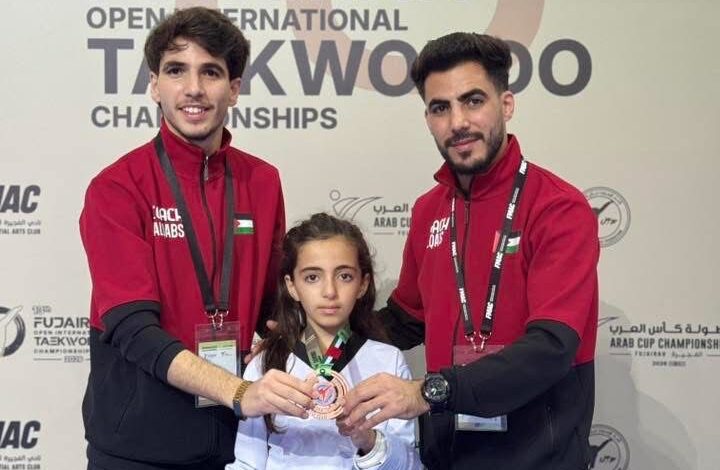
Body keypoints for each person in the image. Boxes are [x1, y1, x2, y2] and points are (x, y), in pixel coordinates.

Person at [340, 32, 600, 470]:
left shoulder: (558, 207)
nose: (458, 122)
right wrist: (311, 339)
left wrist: (428, 392)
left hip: (537, 456)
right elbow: (406, 320)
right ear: (428, 118)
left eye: (473, 101)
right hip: (448, 454)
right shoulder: (429, 209)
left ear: (506, 104)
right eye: (440, 108)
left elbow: (552, 347)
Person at [79, 8, 315, 470]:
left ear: (234, 88)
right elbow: (132, 330)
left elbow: (274, 309)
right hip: (138, 449)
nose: (193, 88)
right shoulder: (116, 187)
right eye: (176, 70)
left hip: (236, 444)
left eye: (211, 72)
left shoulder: (262, 181)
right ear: (154, 85)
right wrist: (238, 391)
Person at [227, 213, 420, 470]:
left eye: (344, 276)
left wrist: (368, 440)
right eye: (312, 277)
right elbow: (246, 463)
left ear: (363, 284)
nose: (330, 292)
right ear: (291, 286)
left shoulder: (388, 361)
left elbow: (408, 465)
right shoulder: (266, 363)